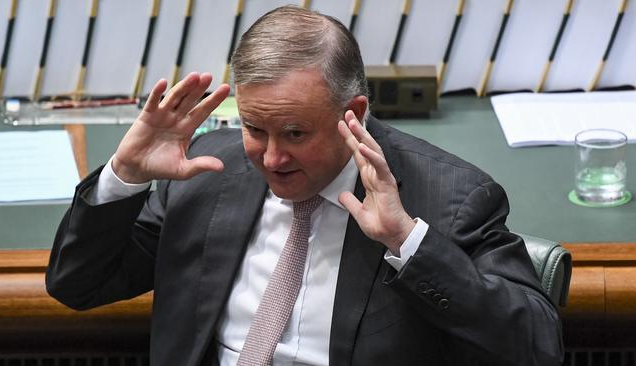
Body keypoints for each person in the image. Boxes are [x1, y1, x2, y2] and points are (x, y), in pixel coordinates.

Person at [46, 5, 563, 366]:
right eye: (254, 129)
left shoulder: (450, 197)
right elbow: (77, 285)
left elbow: (537, 347)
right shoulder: (206, 174)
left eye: (295, 133)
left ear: (352, 114)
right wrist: (126, 177)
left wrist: (408, 243)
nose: (271, 158)